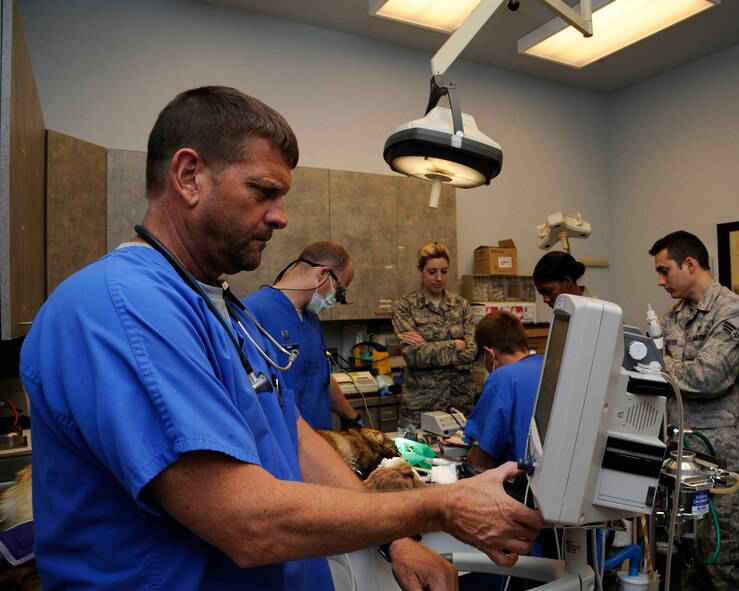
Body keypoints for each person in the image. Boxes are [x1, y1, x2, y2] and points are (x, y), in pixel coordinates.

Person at [18, 86, 547, 590]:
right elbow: (245, 521)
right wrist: (442, 505)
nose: (281, 216)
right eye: (263, 191)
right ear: (188, 175)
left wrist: (396, 539)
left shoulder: (221, 306)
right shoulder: (120, 308)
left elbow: (290, 435)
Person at [648, 230, 739, 591]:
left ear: (691, 264)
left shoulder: (733, 312)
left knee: (728, 568)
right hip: (682, 458)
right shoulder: (672, 316)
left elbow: (709, 377)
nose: (660, 280)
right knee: (687, 567)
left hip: (724, 462)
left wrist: (659, 367)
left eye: (665, 270)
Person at [242, 241, 361, 430]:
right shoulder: (252, 314)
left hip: (322, 439)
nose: (337, 300)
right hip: (285, 445)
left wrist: (352, 418)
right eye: (339, 292)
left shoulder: (311, 318)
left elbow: (322, 378)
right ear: (322, 274)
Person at [392, 242, 477, 428]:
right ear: (420, 270)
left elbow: (471, 353)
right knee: (415, 457)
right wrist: (455, 344)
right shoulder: (405, 307)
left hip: (459, 403)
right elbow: (414, 355)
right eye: (432, 272)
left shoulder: (462, 306)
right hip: (421, 406)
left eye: (444, 271)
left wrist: (428, 346)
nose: (439, 278)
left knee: (462, 456)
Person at [463, 310, 544, 469]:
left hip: (514, 484)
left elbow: (482, 460)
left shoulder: (502, 378)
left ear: (488, 353)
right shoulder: (548, 366)